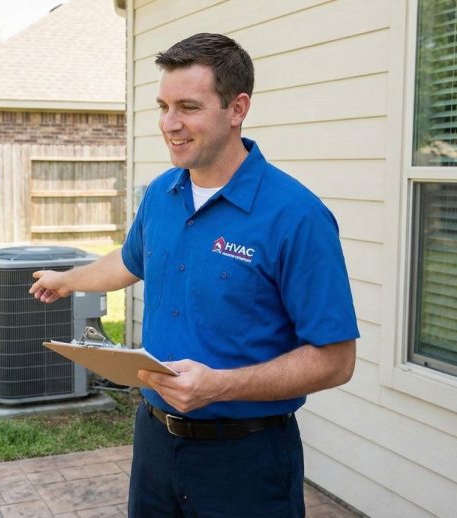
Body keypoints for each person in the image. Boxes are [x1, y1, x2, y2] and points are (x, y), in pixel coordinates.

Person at [30, 33, 359, 517]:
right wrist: (69, 279)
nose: (170, 124)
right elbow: (131, 260)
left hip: (246, 461)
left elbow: (337, 360)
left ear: (237, 108)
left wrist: (220, 385)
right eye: (163, 106)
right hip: (154, 443)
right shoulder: (162, 193)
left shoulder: (296, 217)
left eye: (188, 106)